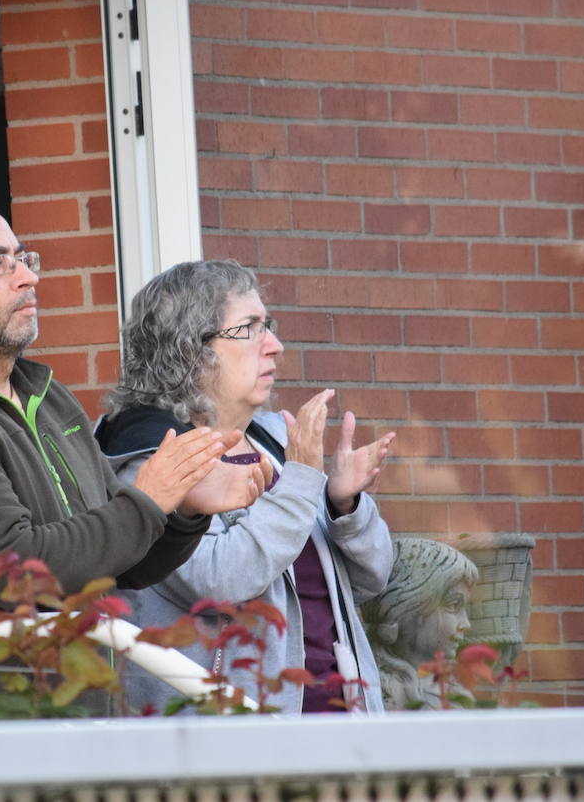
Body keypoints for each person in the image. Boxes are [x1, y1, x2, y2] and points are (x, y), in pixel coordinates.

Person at [0, 184, 263, 721]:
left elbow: (116, 561)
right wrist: (148, 498)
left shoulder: (48, 397)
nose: (28, 276)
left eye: (23, 258)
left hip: (72, 730)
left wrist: (185, 507)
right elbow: (23, 572)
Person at [95, 259, 396, 714]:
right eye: (250, 328)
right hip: (230, 748)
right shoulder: (150, 457)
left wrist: (343, 504)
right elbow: (220, 580)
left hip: (344, 731)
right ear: (190, 350)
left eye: (268, 325)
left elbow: (375, 580)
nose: (274, 345)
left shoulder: (278, 441)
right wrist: (300, 482)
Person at [361, 538, 480, 710]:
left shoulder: (451, 691)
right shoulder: (379, 693)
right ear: (408, 608)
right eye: (454, 605)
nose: (466, 624)